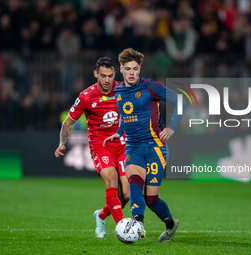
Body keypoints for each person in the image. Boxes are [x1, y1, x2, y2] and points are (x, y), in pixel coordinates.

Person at [104, 48, 185, 242]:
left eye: (136, 69)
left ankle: (171, 225)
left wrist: (172, 128)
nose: (132, 72)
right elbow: (125, 115)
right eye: (128, 69)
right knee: (133, 185)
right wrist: (118, 132)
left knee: (152, 200)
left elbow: (180, 100)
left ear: (140, 69)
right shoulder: (118, 91)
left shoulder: (151, 87)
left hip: (155, 147)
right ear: (121, 70)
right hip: (133, 147)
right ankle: (137, 224)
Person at [54, 57, 129, 238]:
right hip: (100, 146)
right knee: (111, 180)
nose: (106, 80)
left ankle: (101, 215)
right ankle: (123, 229)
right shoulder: (86, 96)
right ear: (96, 74)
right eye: (102, 76)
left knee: (127, 194)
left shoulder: (124, 90)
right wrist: (61, 144)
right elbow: (68, 123)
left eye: (110, 76)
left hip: (123, 144)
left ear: (115, 74)